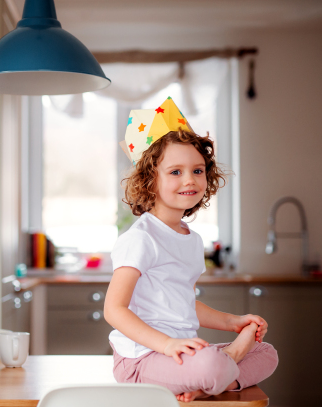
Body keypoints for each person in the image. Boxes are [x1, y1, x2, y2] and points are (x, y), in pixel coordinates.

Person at [104, 99, 278, 403]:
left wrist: (232, 322)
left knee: (267, 353)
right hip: (141, 360)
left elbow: (182, 302)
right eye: (175, 172)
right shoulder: (141, 239)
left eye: (197, 170)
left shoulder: (191, 238)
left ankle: (211, 382)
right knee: (212, 363)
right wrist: (168, 345)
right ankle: (222, 371)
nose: (190, 180)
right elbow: (114, 309)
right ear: (149, 180)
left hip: (180, 354)